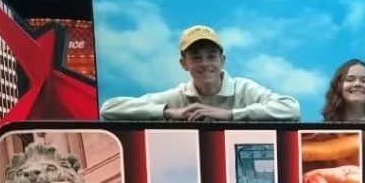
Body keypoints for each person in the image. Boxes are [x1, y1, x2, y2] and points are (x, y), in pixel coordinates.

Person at [99, 25, 301, 122]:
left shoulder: (244, 89)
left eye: (211, 56)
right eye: (196, 57)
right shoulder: (177, 97)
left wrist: (231, 115)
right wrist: (168, 112)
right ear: (183, 64)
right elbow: (109, 109)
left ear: (222, 60)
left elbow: (291, 109)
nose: (205, 64)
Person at [321, 58, 365, 122]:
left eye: (364, 81)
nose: (357, 84)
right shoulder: (322, 130)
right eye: (350, 79)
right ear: (338, 85)